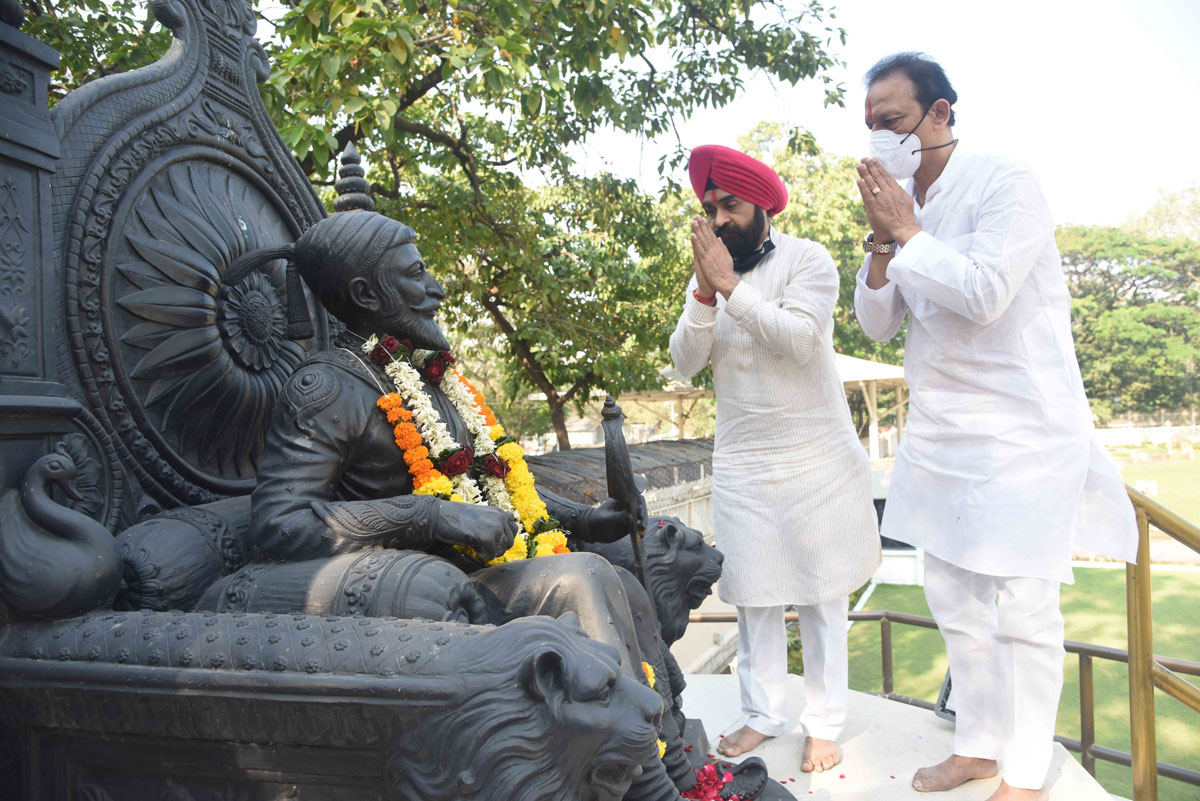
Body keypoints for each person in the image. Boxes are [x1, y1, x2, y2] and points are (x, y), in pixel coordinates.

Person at [852, 52, 1137, 801]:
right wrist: (884, 241)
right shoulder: (900, 206)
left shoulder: (1006, 181)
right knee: (949, 592)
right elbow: (878, 323)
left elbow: (983, 294)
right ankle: (978, 743)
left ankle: (1026, 767)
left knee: (1024, 604)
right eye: (871, 124)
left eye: (893, 121)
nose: (881, 136)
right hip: (942, 427)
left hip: (1021, 425)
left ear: (941, 113)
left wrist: (908, 230)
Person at [670, 144, 881, 773]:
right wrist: (706, 296)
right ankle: (762, 715)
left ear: (762, 205)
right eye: (709, 208)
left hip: (815, 456)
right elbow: (684, 362)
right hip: (744, 460)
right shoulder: (708, 276)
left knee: (822, 598)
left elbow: (798, 340)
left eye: (729, 205)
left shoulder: (808, 260)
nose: (718, 219)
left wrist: (729, 286)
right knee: (754, 596)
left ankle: (823, 722)